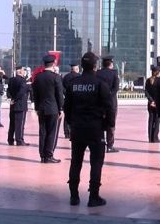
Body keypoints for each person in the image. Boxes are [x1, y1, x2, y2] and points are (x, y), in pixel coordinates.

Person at [64, 52, 112, 207]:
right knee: (96, 163)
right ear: (95, 66)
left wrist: (72, 123)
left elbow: (67, 107)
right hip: (95, 128)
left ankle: (74, 196)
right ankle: (93, 196)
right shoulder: (100, 83)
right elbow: (109, 107)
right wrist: (107, 125)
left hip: (78, 128)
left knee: (76, 162)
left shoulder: (74, 83)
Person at [33, 55, 64, 163]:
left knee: (42, 132)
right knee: (51, 132)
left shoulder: (38, 77)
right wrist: (61, 108)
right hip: (53, 108)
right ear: (54, 64)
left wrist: (36, 108)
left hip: (41, 108)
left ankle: (42, 156)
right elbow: (59, 94)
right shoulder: (56, 77)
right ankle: (49, 155)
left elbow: (35, 94)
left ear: (44, 64)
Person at [96, 55, 120, 153]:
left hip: (99, 102)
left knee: (99, 123)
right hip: (111, 102)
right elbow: (116, 88)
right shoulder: (114, 73)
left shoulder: (97, 73)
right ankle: (110, 146)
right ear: (111, 63)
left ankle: (100, 143)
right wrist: (109, 96)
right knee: (111, 124)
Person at [7, 65, 30, 146]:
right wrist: (15, 99)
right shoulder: (22, 81)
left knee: (12, 123)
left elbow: (8, 91)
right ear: (20, 71)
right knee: (20, 124)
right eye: (23, 70)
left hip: (13, 104)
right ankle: (19, 140)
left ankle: (10, 139)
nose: (24, 72)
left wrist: (11, 99)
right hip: (20, 104)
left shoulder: (11, 80)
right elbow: (21, 92)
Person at [61, 63, 81, 138]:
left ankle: (67, 133)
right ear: (77, 69)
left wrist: (67, 94)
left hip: (68, 99)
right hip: (77, 100)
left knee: (67, 117)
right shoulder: (80, 77)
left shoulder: (66, 77)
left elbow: (62, 88)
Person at [144, 65, 160, 143]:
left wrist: (151, 101)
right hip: (158, 103)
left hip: (150, 103)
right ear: (158, 72)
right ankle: (155, 138)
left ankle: (150, 137)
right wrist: (156, 102)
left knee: (151, 120)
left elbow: (146, 92)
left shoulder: (148, 80)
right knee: (157, 120)